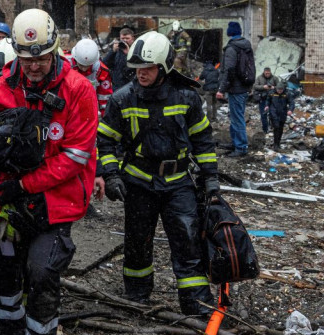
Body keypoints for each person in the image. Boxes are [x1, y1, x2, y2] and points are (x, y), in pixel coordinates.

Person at [0, 8, 98, 335]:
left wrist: (23, 186)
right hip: (8, 198)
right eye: (27, 59)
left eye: (41, 58)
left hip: (55, 200)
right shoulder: (1, 91)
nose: (33, 66)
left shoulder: (78, 91)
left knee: (42, 269)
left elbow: (74, 158)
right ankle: (8, 324)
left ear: (55, 50)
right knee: (3, 261)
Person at [95, 31, 218, 316]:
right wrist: (111, 174)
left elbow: (203, 141)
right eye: (137, 69)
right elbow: (105, 139)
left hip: (178, 183)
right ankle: (136, 297)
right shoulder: (122, 99)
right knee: (137, 242)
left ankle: (196, 302)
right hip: (138, 181)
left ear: (164, 68)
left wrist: (210, 177)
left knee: (187, 241)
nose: (141, 74)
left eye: (148, 68)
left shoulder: (187, 97)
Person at [216, 22, 254, 157]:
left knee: (237, 118)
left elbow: (229, 70)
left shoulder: (232, 48)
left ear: (229, 32)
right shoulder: (246, 46)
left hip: (235, 89)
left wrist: (221, 89)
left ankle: (241, 147)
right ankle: (235, 143)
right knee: (235, 117)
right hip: (242, 87)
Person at [68, 38, 113, 116]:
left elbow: (105, 98)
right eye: (81, 65)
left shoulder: (101, 71)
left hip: (88, 110)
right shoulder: (65, 65)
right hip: (67, 106)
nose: (84, 69)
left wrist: (104, 117)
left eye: (87, 66)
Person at [101, 26, 137, 90]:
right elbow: (104, 65)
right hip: (116, 87)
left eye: (127, 38)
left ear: (132, 39)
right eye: (123, 38)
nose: (125, 40)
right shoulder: (116, 51)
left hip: (130, 87)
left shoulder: (136, 51)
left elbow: (134, 69)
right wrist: (113, 51)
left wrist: (128, 54)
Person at [269, 81, 291, 150]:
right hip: (274, 112)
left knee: (280, 128)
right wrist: (267, 106)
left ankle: (278, 143)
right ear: (276, 89)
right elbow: (268, 100)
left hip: (283, 113)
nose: (279, 91)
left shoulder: (287, 94)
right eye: (278, 90)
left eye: (281, 90)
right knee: (276, 127)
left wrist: (290, 110)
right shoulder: (272, 93)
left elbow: (291, 103)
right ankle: (275, 144)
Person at [255, 67, 276, 134]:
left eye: (268, 73)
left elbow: (281, 87)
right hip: (262, 99)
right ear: (264, 72)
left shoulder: (274, 78)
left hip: (272, 99)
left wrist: (274, 87)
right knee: (263, 114)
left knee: (273, 114)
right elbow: (255, 86)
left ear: (270, 72)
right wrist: (263, 87)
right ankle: (265, 129)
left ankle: (273, 127)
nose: (267, 74)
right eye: (266, 73)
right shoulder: (259, 78)